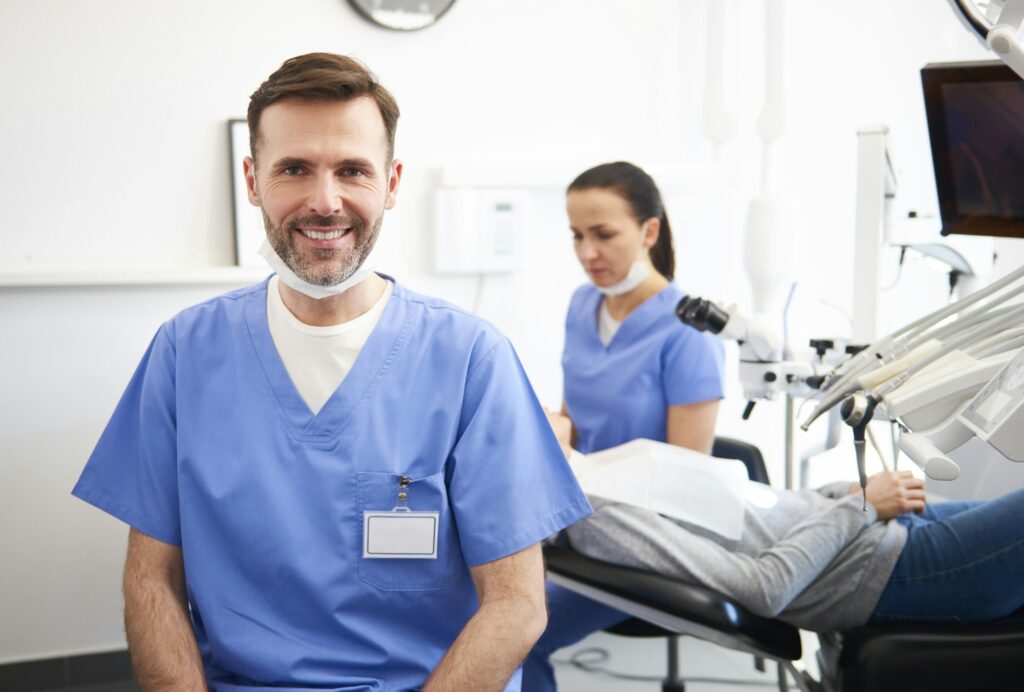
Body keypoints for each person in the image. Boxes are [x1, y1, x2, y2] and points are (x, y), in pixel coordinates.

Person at [72, 52, 591, 692]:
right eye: (294, 168)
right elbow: (151, 579)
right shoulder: (185, 353)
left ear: (393, 183)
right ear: (253, 179)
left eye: (353, 170)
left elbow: (516, 605)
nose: (325, 201)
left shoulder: (470, 360)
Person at [525, 162, 726, 689]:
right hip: (577, 516)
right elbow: (572, 421)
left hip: (642, 540)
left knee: (518, 633)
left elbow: (685, 486)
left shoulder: (687, 333)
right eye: (577, 235)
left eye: (603, 234)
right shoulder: (582, 305)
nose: (587, 253)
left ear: (649, 231)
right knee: (463, 600)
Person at [566, 468, 1024, 632]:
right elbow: (764, 588)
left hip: (881, 530)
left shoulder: (603, 468)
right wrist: (859, 505)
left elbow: (765, 512)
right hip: (886, 567)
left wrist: (843, 491)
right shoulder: (600, 515)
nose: (548, 407)